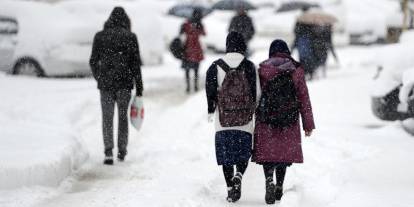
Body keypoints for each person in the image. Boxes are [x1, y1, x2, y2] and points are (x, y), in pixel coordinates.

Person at [253, 40, 315, 204]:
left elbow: (256, 97)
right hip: (289, 120)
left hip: (267, 120)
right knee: (282, 154)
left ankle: (269, 180)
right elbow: (304, 99)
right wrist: (308, 125)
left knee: (268, 155)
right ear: (287, 51)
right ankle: (279, 185)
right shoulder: (296, 70)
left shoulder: (263, 70)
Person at [205, 32, 257, 203]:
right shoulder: (249, 66)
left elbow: (210, 92)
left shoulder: (215, 66)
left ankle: (229, 188)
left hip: (223, 120)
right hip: (245, 120)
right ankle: (240, 174)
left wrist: (211, 110)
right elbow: (257, 94)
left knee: (226, 156)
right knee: (243, 153)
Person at [89, 7, 143, 165]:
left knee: (107, 117)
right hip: (124, 84)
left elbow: (93, 61)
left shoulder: (100, 36)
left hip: (105, 84)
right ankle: (121, 150)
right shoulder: (131, 37)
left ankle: (108, 152)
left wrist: (99, 77)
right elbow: (135, 65)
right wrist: (139, 86)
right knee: (122, 117)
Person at [180, 8, 206, 93]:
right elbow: (204, 34)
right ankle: (195, 86)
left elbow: (180, 33)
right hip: (196, 48)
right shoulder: (199, 24)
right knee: (196, 69)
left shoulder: (186, 23)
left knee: (187, 69)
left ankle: (188, 86)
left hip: (187, 48)